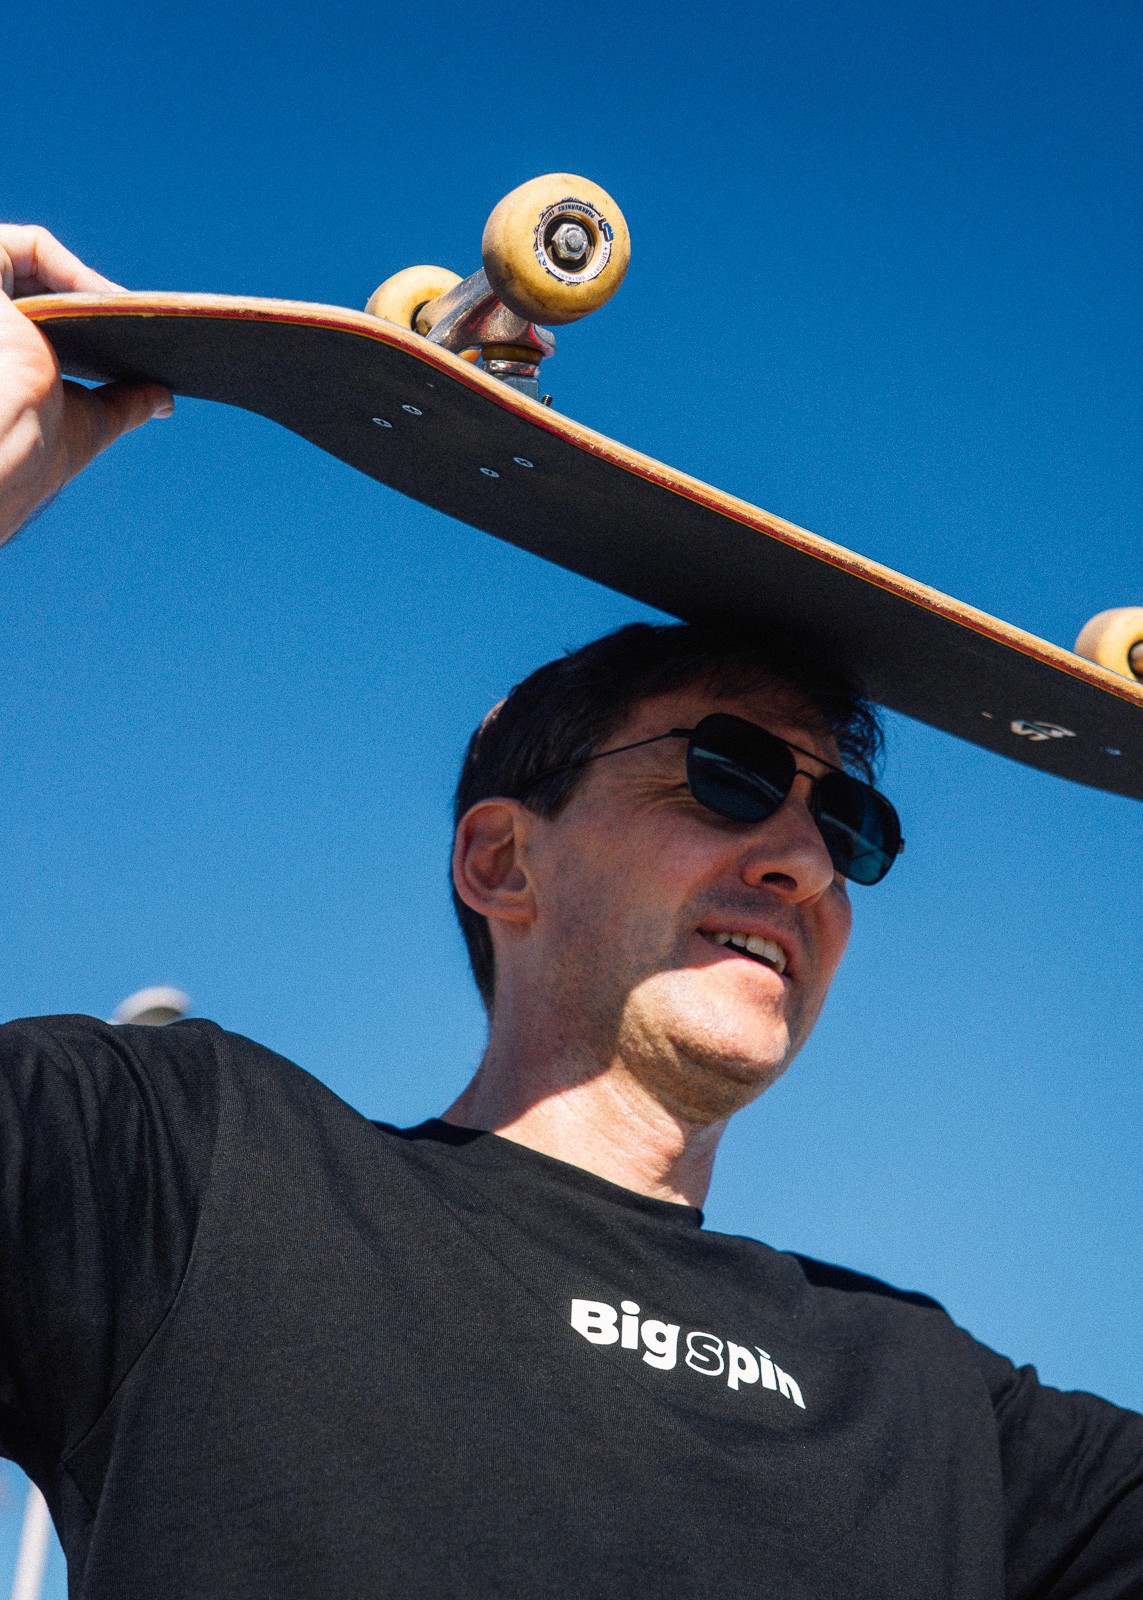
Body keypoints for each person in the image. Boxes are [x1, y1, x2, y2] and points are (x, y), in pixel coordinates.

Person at [1, 226, 1140, 1600]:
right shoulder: (185, 1170)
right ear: (501, 862)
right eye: (729, 776)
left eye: (851, 827)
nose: (805, 862)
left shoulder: (947, 1415)